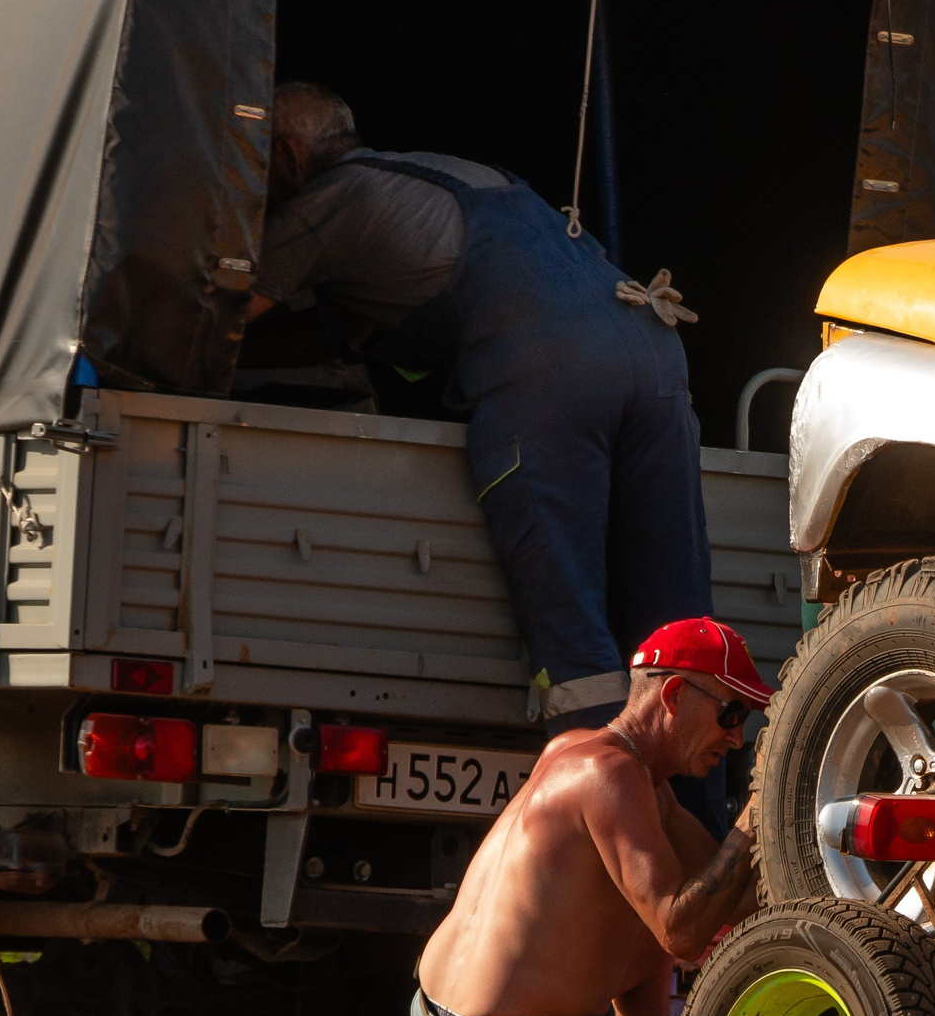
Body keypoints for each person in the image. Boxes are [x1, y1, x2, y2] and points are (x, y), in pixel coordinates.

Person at [244, 81, 712, 738]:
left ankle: (599, 822)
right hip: (655, 355)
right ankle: (702, 834)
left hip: (549, 371)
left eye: (255, 164)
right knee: (677, 634)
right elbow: (329, 336)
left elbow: (222, 317)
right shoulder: (452, 180)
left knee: (572, 634)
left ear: (288, 155)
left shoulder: (331, 198)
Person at [410, 617, 774, 1016]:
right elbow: (684, 929)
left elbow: (726, 892)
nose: (737, 740)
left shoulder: (586, 756)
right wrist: (758, 810)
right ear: (676, 696)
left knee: (644, 925)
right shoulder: (612, 780)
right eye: (732, 715)